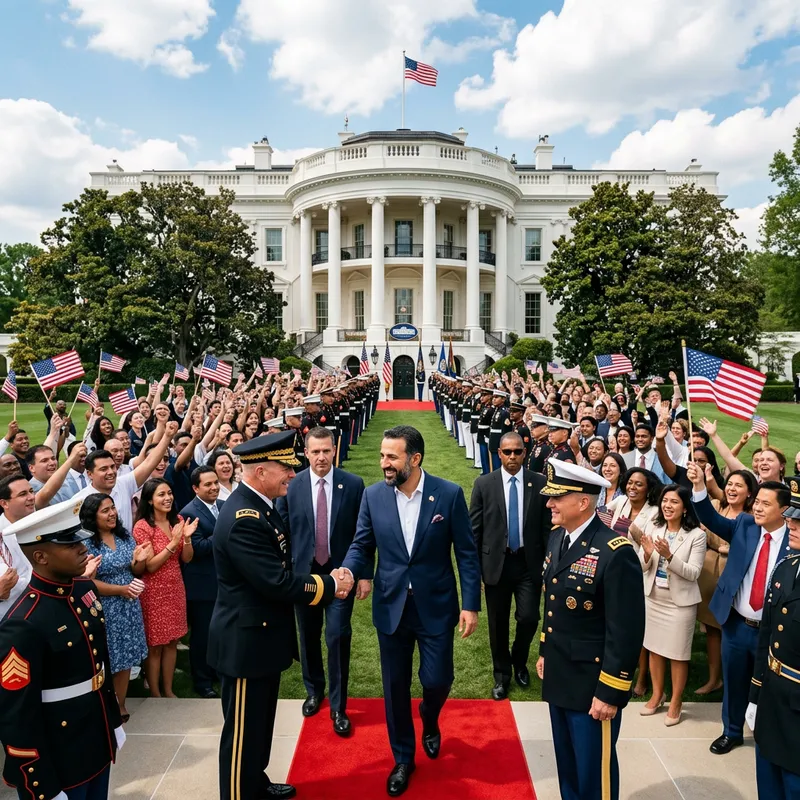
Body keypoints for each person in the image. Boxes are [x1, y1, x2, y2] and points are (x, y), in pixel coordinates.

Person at [339, 425, 481, 797]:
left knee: (437, 680)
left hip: (435, 606)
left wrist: (470, 605)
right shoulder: (373, 496)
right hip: (391, 607)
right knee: (395, 687)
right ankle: (403, 758)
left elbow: (466, 554)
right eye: (382, 455)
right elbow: (361, 544)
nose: (383, 463)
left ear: (414, 459)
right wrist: (350, 570)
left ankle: (430, 719)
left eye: (391, 457)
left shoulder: (448, 495)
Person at [209, 431, 344, 800]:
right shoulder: (244, 518)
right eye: (284, 468)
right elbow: (278, 582)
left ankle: (256, 784)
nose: (291, 474)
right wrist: (330, 585)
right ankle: (239, 792)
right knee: (241, 737)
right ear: (260, 471)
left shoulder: (261, 505)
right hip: (244, 646)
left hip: (260, 640)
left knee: (259, 727)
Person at [0, 499, 125, 799]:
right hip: (59, 753)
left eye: (80, 540)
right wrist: (39, 785)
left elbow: (99, 661)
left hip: (95, 734)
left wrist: (112, 720)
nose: (83, 548)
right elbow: (16, 717)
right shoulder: (23, 623)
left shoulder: (83, 590)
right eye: (70, 545)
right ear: (41, 556)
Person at [537, 460, 645, 800]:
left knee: (593, 774)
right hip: (560, 674)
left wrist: (610, 692)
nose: (549, 504)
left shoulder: (616, 553)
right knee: (567, 766)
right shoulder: (558, 537)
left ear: (583, 502)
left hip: (591, 685)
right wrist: (544, 650)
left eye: (557, 498)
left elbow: (625, 631)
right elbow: (553, 602)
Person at [689, 463, 794, 755]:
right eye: (756, 501)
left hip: (773, 632)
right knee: (734, 681)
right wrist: (699, 486)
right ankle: (731, 731)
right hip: (736, 625)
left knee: (770, 687)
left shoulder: (794, 540)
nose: (757, 508)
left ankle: (768, 734)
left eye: (764, 504)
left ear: (784, 511)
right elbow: (709, 517)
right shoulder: (745, 525)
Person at [276, 427, 366, 735]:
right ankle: (314, 690)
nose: (321, 457)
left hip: (340, 576)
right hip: (305, 576)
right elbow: (283, 530)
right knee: (309, 636)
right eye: (315, 452)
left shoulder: (353, 485)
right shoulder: (293, 485)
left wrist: (364, 574)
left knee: (338, 636)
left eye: (326, 451)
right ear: (306, 453)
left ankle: (339, 706)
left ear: (334, 450)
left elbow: (362, 535)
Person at [470, 430, 550, 700]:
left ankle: (519, 660)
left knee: (529, 618)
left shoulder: (539, 482)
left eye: (517, 451)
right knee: (497, 623)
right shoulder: (484, 484)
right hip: (496, 564)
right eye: (507, 452)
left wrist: (548, 562)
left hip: (529, 564)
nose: (512, 456)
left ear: (525, 453)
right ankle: (501, 675)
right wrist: (477, 572)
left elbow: (548, 528)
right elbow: (475, 531)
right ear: (499, 453)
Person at [747, 477, 800, 798]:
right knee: (767, 784)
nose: (791, 522)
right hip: (772, 698)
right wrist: (755, 694)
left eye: (799, 519)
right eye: (792, 515)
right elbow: (767, 635)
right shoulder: (786, 568)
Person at [638, 485, 706, 726]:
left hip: (680, 605)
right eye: (665, 500)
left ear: (685, 507)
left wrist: (669, 556)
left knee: (677, 655)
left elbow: (693, 573)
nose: (667, 505)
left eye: (674, 502)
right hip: (653, 598)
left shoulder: (697, 535)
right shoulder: (654, 527)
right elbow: (642, 565)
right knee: (655, 649)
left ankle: (676, 701)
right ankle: (658, 694)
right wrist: (646, 554)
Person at [81, 493, 151, 723]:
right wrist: (120, 590)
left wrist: (139, 560)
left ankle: (120, 704)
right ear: (92, 516)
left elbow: (135, 571)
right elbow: (87, 581)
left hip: (129, 606)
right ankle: (104, 705)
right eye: (105, 510)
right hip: (104, 608)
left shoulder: (124, 536)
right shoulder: (86, 543)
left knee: (126, 657)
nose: (112, 513)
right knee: (107, 657)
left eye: (113, 508)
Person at [133, 478, 197, 698]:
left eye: (169, 493)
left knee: (172, 642)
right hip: (154, 591)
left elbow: (187, 558)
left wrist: (186, 539)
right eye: (161, 494)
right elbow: (149, 566)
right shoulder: (143, 527)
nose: (168, 498)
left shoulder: (176, 520)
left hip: (175, 587)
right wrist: (173, 543)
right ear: (150, 500)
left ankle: (168, 689)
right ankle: (156, 692)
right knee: (156, 645)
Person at [695, 470, 757, 697]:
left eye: (738, 485)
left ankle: (744, 684)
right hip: (710, 575)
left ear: (750, 492)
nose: (731, 489)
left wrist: (730, 548)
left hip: (736, 580)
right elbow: (707, 522)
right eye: (729, 484)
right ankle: (714, 679)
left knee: (734, 631)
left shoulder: (753, 518)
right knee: (712, 630)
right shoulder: (718, 506)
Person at [179, 465, 223, 699]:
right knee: (202, 636)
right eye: (208, 484)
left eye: (215, 482)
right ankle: (202, 681)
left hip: (222, 583)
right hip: (201, 586)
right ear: (196, 488)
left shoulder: (223, 507)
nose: (214, 487)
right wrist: (224, 533)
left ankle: (215, 671)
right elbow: (197, 548)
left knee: (219, 632)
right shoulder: (189, 512)